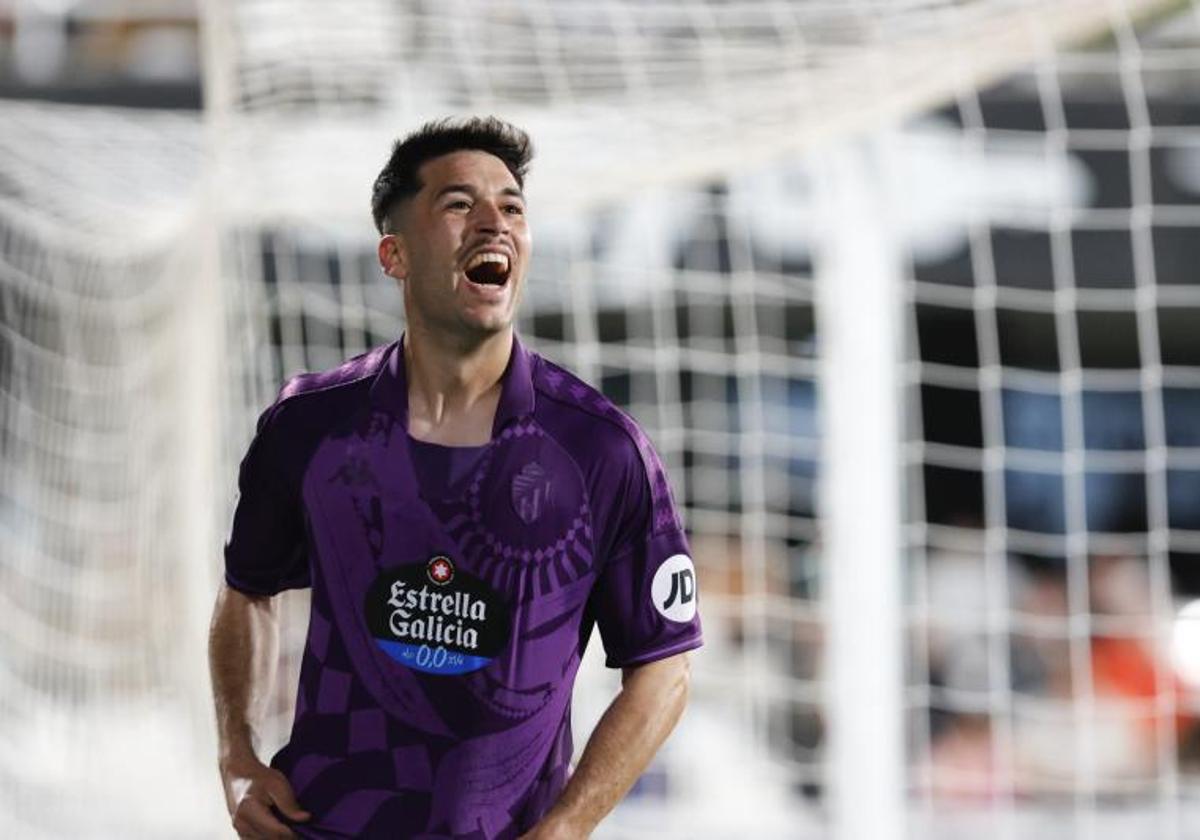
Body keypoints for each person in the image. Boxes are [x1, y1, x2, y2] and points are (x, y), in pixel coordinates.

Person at [209, 116, 703, 839]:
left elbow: (664, 666)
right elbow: (245, 591)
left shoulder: (600, 448)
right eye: (459, 204)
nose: (493, 224)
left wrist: (567, 827)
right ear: (394, 253)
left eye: (511, 207)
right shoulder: (309, 425)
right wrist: (236, 755)